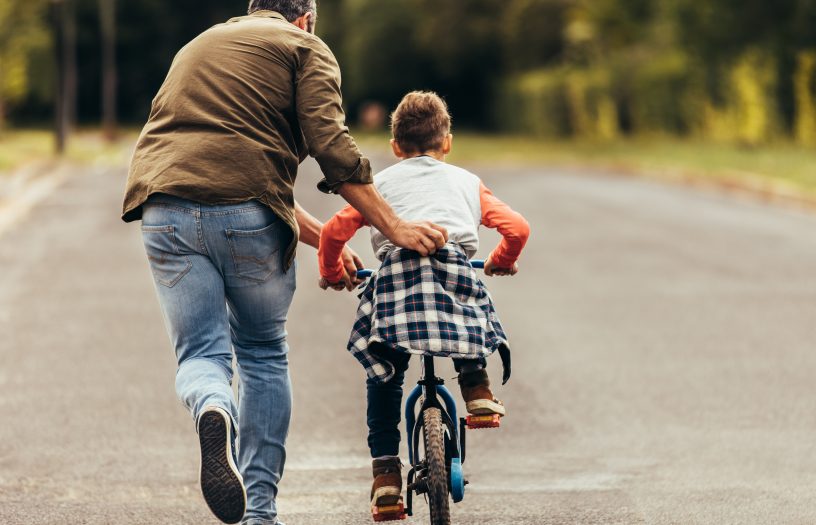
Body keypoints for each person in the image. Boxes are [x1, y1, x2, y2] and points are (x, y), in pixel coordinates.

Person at [120, 2, 448, 524]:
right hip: (248, 217)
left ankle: (213, 408)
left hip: (164, 208)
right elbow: (331, 148)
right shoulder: (304, 47)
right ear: (306, 19)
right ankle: (260, 514)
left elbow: (239, 171)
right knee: (261, 351)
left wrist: (328, 245)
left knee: (201, 356)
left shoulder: (200, 46)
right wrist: (395, 227)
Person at [317, 91, 531, 517]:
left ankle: (385, 479)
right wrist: (500, 261)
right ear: (446, 141)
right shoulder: (468, 183)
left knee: (385, 375)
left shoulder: (376, 188)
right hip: (453, 274)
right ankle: (477, 388)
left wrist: (330, 271)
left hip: (397, 285)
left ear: (396, 147)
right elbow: (518, 228)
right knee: (468, 308)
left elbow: (332, 233)